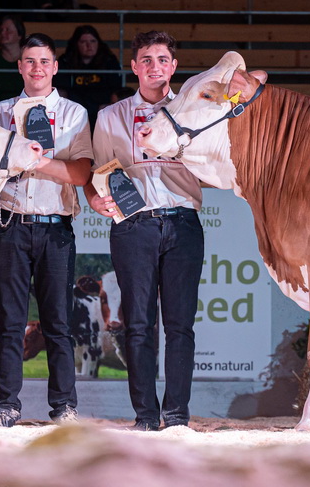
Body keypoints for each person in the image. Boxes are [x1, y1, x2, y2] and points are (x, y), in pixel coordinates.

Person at [83, 31, 203, 431]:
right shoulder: (110, 116)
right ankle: (146, 415)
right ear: (134, 67)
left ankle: (177, 414)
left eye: (163, 59)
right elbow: (95, 172)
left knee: (180, 324)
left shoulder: (192, 112)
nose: (155, 67)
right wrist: (93, 197)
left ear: (174, 66)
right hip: (133, 225)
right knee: (137, 324)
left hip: (183, 221)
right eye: (146, 60)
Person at [0, 32, 91, 427]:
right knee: (10, 323)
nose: (37, 68)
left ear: (55, 67)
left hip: (55, 228)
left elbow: (81, 172)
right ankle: (6, 407)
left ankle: (64, 408)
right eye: (30, 61)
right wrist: (13, 162)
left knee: (58, 323)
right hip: (10, 223)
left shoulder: (74, 114)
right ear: (19, 66)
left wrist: (36, 161)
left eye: (44, 61)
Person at [57, 25, 121, 126]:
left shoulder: (109, 60)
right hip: (74, 107)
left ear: (98, 43)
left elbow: (117, 88)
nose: (89, 45)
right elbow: (60, 89)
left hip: (101, 108)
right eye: (83, 42)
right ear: (76, 44)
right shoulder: (65, 61)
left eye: (93, 41)